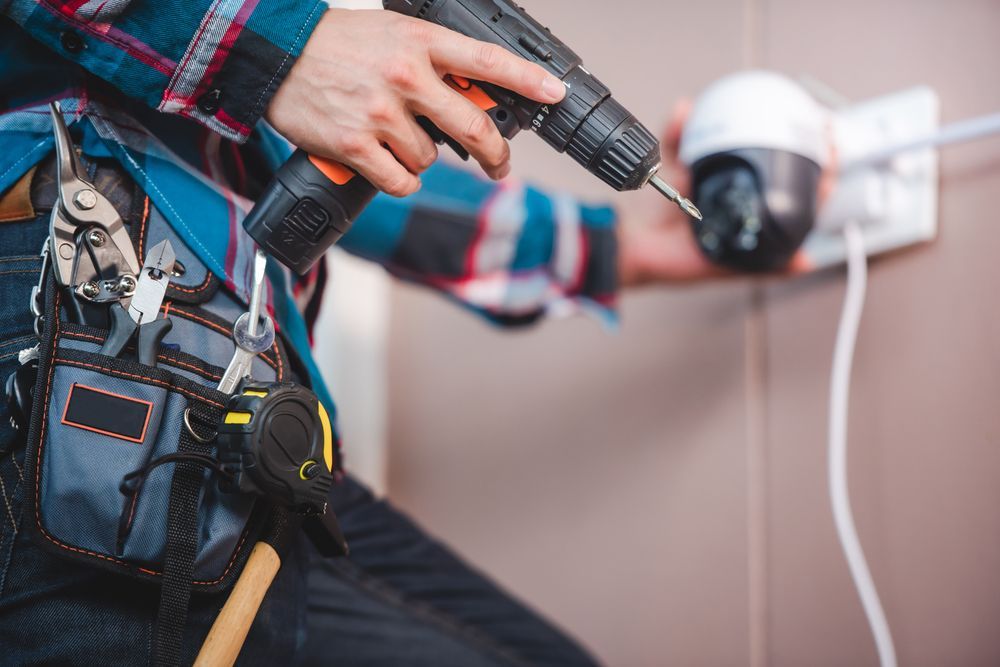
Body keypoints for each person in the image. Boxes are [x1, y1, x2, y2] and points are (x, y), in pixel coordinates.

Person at [0, 3, 730, 665]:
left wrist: (615, 249)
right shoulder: (263, 37)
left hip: (247, 412)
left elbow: (359, 168)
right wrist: (283, 50)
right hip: (75, 326)